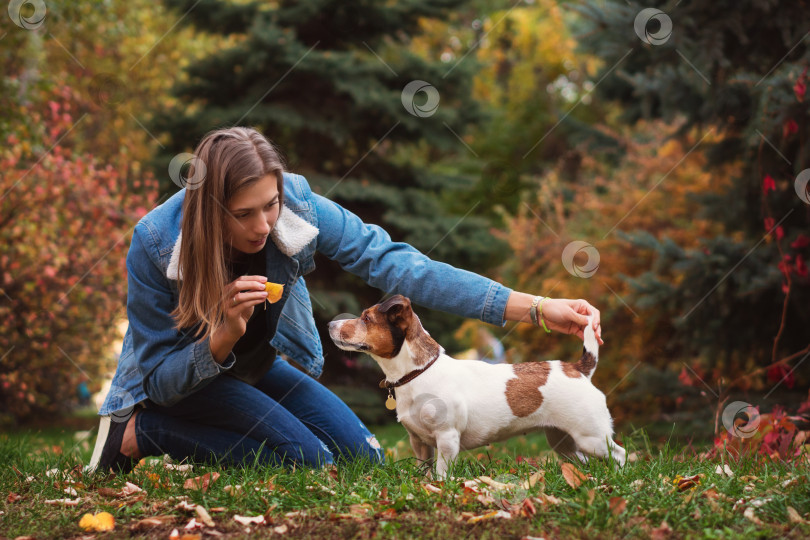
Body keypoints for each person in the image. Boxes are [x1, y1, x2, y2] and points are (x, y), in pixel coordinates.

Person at [87, 126, 603, 474]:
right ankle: (141, 434)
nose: (264, 226)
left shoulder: (298, 204)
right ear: (207, 208)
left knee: (366, 462)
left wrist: (535, 306)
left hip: (254, 366)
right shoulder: (156, 243)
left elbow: (399, 265)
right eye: (244, 214)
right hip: (181, 384)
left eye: (271, 206)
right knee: (310, 462)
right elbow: (159, 379)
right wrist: (221, 335)